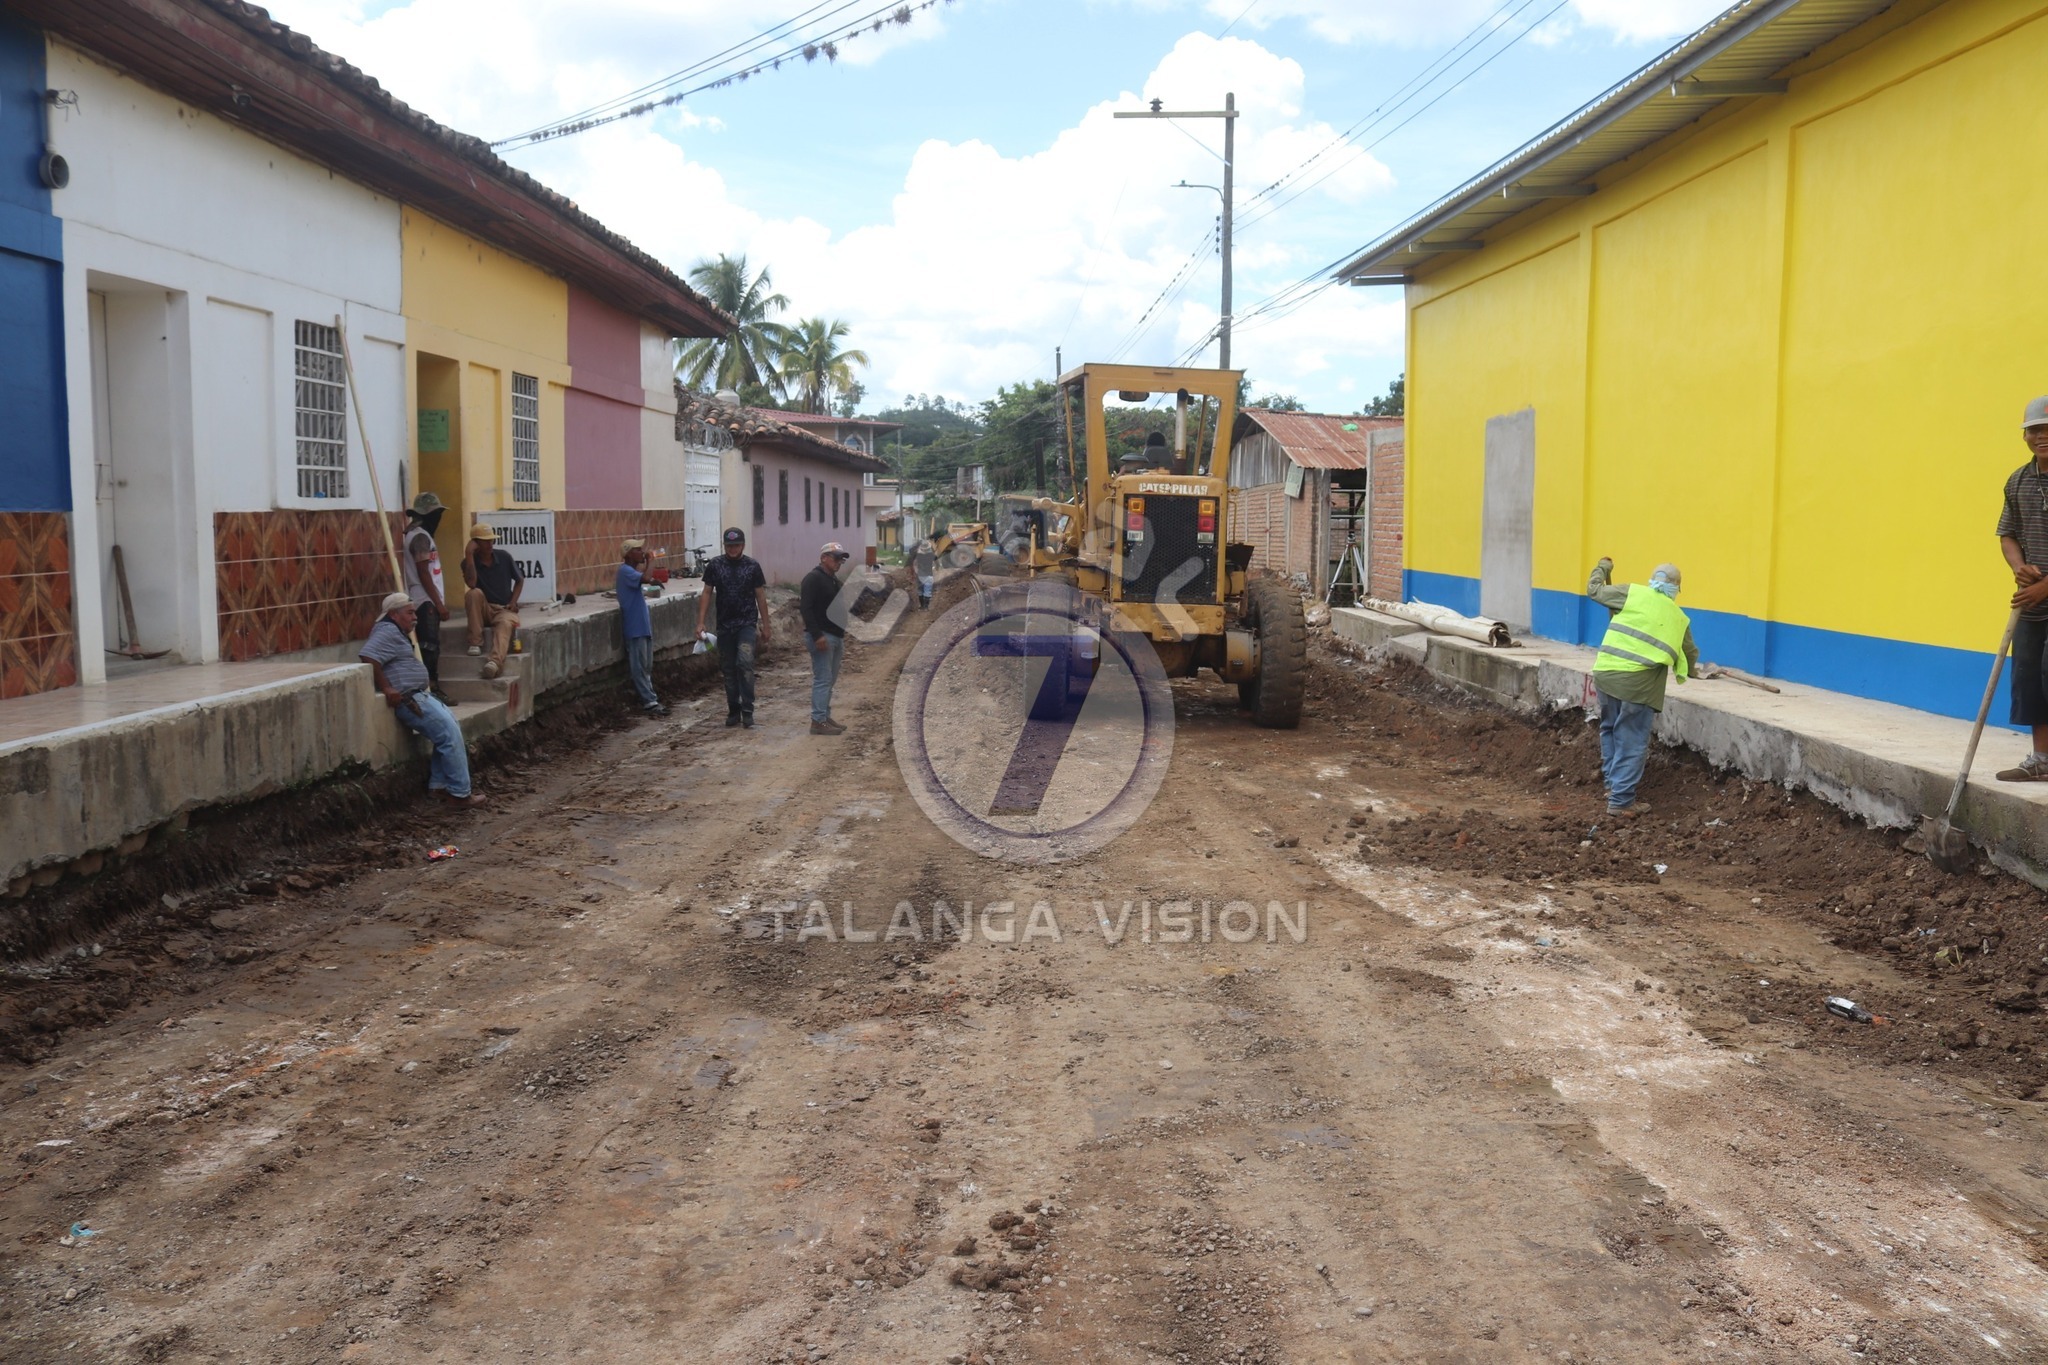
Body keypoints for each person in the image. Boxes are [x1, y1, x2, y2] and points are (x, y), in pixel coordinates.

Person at [1587, 557, 1698, 820]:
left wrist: (1603, 568)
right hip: (1637, 687)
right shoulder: (1679, 618)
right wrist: (1694, 671)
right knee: (1631, 741)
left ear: (1652, 581)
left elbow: (1594, 590)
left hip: (1605, 675)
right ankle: (1621, 801)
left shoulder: (1630, 592)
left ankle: (1613, 785)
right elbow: (1690, 653)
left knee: (1610, 729)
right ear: (1676, 590)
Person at [361, 592, 484, 809]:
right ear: (393, 614)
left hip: (419, 695)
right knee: (449, 734)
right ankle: (460, 794)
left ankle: (440, 785)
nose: (415, 617)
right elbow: (368, 656)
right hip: (410, 699)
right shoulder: (387, 630)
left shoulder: (394, 630)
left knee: (450, 729)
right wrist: (388, 687)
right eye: (409, 613)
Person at [1998, 396, 2048, 780]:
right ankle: (2041, 762)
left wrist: (2044, 588)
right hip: (2031, 604)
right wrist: (2019, 567)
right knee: (2029, 677)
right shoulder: (2018, 480)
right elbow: (2008, 535)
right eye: (2035, 430)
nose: (2042, 436)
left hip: (2040, 595)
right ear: (2025, 436)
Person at [696, 526, 770, 728]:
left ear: (743, 545)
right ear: (724, 546)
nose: (733, 549)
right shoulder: (715, 565)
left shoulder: (752, 566)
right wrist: (700, 621)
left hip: (746, 624)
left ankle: (748, 710)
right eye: (729, 546)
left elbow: (760, 596)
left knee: (745, 663)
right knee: (728, 669)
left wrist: (766, 625)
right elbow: (706, 593)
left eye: (736, 545)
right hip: (724, 625)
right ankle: (733, 710)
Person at [402, 491, 450, 701]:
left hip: (425, 598)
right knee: (429, 647)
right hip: (425, 600)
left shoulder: (418, 534)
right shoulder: (420, 537)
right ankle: (432, 689)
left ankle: (431, 689)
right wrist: (438, 604)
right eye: (436, 514)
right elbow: (423, 573)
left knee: (429, 646)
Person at [801, 542, 853, 735]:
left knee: (829, 680)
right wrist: (817, 635)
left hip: (835, 636)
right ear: (824, 558)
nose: (839, 562)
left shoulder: (832, 580)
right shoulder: (813, 579)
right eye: (836, 557)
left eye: (841, 558)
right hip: (823, 636)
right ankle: (817, 720)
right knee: (823, 679)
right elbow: (806, 608)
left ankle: (824, 716)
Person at [461, 523, 523, 680]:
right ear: (476, 543)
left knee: (505, 624)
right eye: (485, 541)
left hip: (503, 609)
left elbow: (519, 580)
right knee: (473, 594)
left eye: (491, 540)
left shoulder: (504, 557)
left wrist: (513, 602)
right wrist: (469, 555)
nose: (490, 544)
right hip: (484, 609)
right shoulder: (469, 562)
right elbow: (472, 583)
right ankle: (475, 642)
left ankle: (494, 663)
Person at [616, 539, 668, 719]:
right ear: (629, 554)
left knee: (646, 666)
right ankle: (649, 701)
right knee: (639, 667)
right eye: (638, 550)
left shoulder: (631, 572)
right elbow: (645, 578)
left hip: (642, 626)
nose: (642, 552)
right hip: (635, 627)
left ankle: (651, 698)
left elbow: (645, 580)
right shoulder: (625, 571)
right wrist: (651, 561)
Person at [913, 538, 936, 609]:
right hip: (929, 575)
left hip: (920, 575)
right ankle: (926, 607)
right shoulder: (931, 555)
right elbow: (935, 560)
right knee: (927, 591)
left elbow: (915, 564)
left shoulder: (919, 556)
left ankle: (921, 606)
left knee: (920, 590)